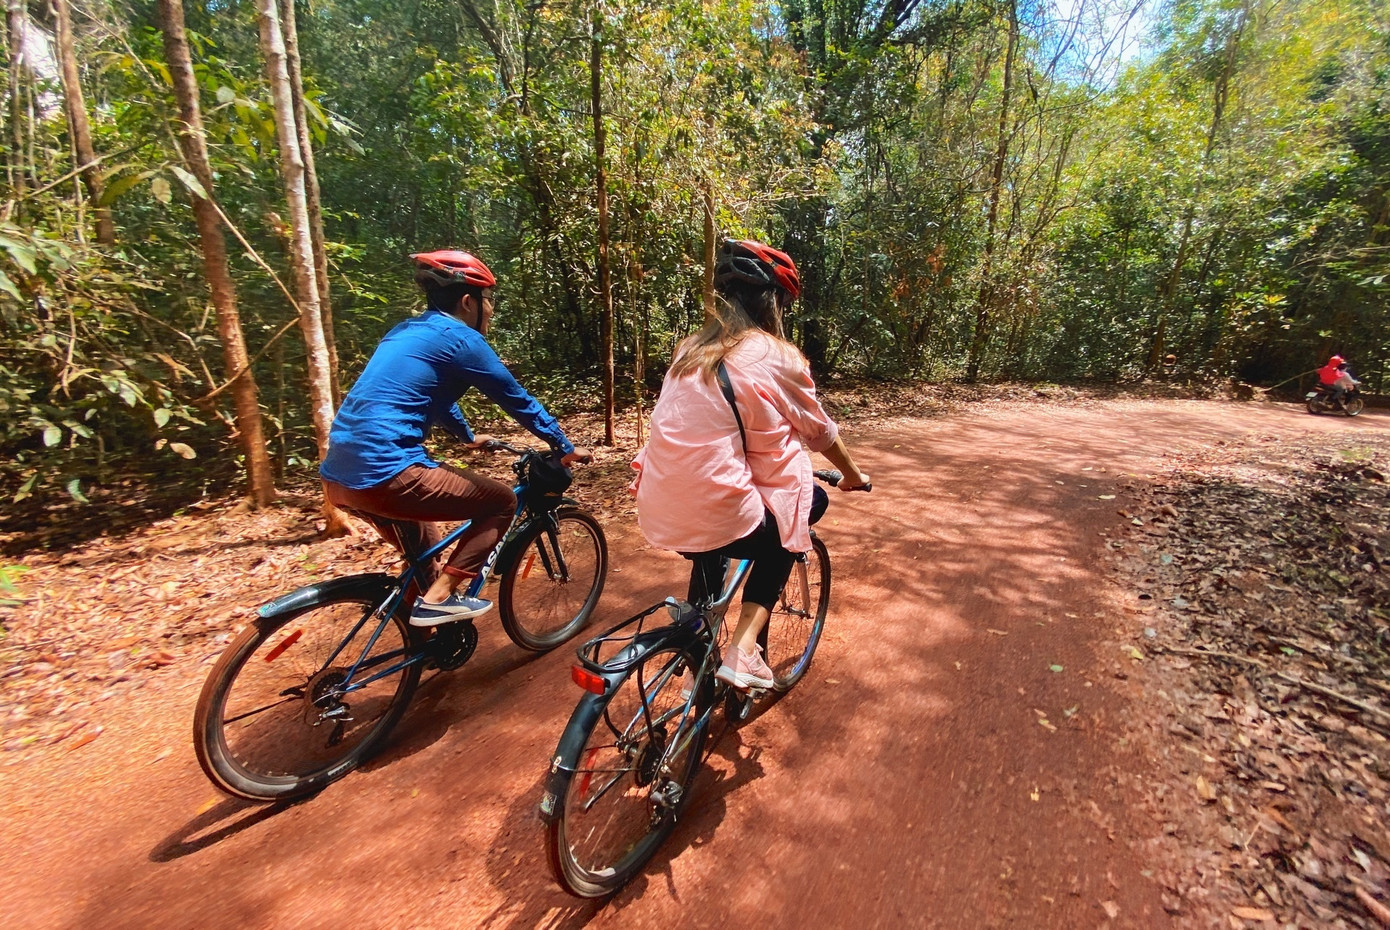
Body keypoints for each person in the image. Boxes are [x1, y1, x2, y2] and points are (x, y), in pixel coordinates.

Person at [630, 239, 871, 690]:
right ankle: (742, 650)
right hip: (721, 508)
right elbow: (819, 433)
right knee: (799, 512)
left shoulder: (689, 350)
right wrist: (854, 476)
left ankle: (696, 633)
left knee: (713, 518)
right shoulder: (778, 356)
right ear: (776, 301)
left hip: (657, 503)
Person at [321, 250, 590, 627]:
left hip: (337, 477)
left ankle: (424, 642)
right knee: (499, 503)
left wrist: (466, 435)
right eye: (488, 302)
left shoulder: (405, 331)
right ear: (468, 301)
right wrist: (563, 445)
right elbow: (517, 399)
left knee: (426, 547)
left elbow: (435, 395)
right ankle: (437, 600)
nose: (491, 312)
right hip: (388, 470)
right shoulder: (461, 338)